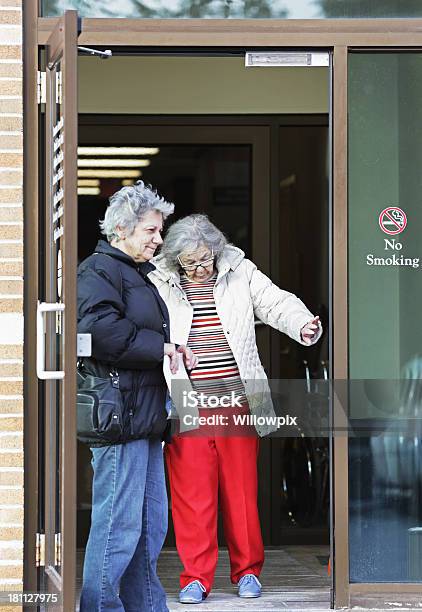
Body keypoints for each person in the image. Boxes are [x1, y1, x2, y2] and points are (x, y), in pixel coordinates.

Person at [149, 214, 322, 604]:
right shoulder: (158, 279)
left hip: (239, 398)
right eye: (192, 262)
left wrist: (302, 325)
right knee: (193, 494)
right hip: (186, 399)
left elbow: (275, 301)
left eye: (206, 259)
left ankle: (247, 571)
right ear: (176, 259)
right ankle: (195, 576)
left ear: (217, 250)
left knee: (241, 490)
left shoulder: (238, 270)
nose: (201, 268)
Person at [77, 181, 196, 612]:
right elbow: (95, 332)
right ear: (123, 229)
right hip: (119, 418)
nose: (158, 239)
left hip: (143, 418)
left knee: (148, 527)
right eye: (151, 230)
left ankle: (146, 606)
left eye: (158, 231)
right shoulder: (98, 270)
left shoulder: (135, 273)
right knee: (117, 528)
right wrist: (161, 347)